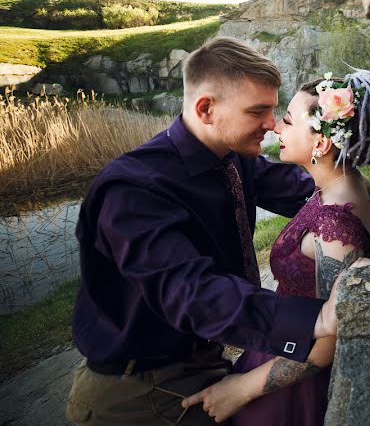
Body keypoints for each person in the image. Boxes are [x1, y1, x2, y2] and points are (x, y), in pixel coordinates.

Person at [66, 38, 348, 426]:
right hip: (138, 390)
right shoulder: (132, 190)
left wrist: (357, 188)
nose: (271, 123)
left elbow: (310, 190)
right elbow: (192, 293)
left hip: (202, 361)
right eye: (258, 111)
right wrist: (316, 319)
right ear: (206, 109)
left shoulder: (232, 160)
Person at [181, 69, 370, 425]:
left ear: (321, 142)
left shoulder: (335, 228)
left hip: (291, 388)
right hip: (281, 346)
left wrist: (242, 389)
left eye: (288, 121)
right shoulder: (351, 184)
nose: (276, 128)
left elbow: (327, 343)